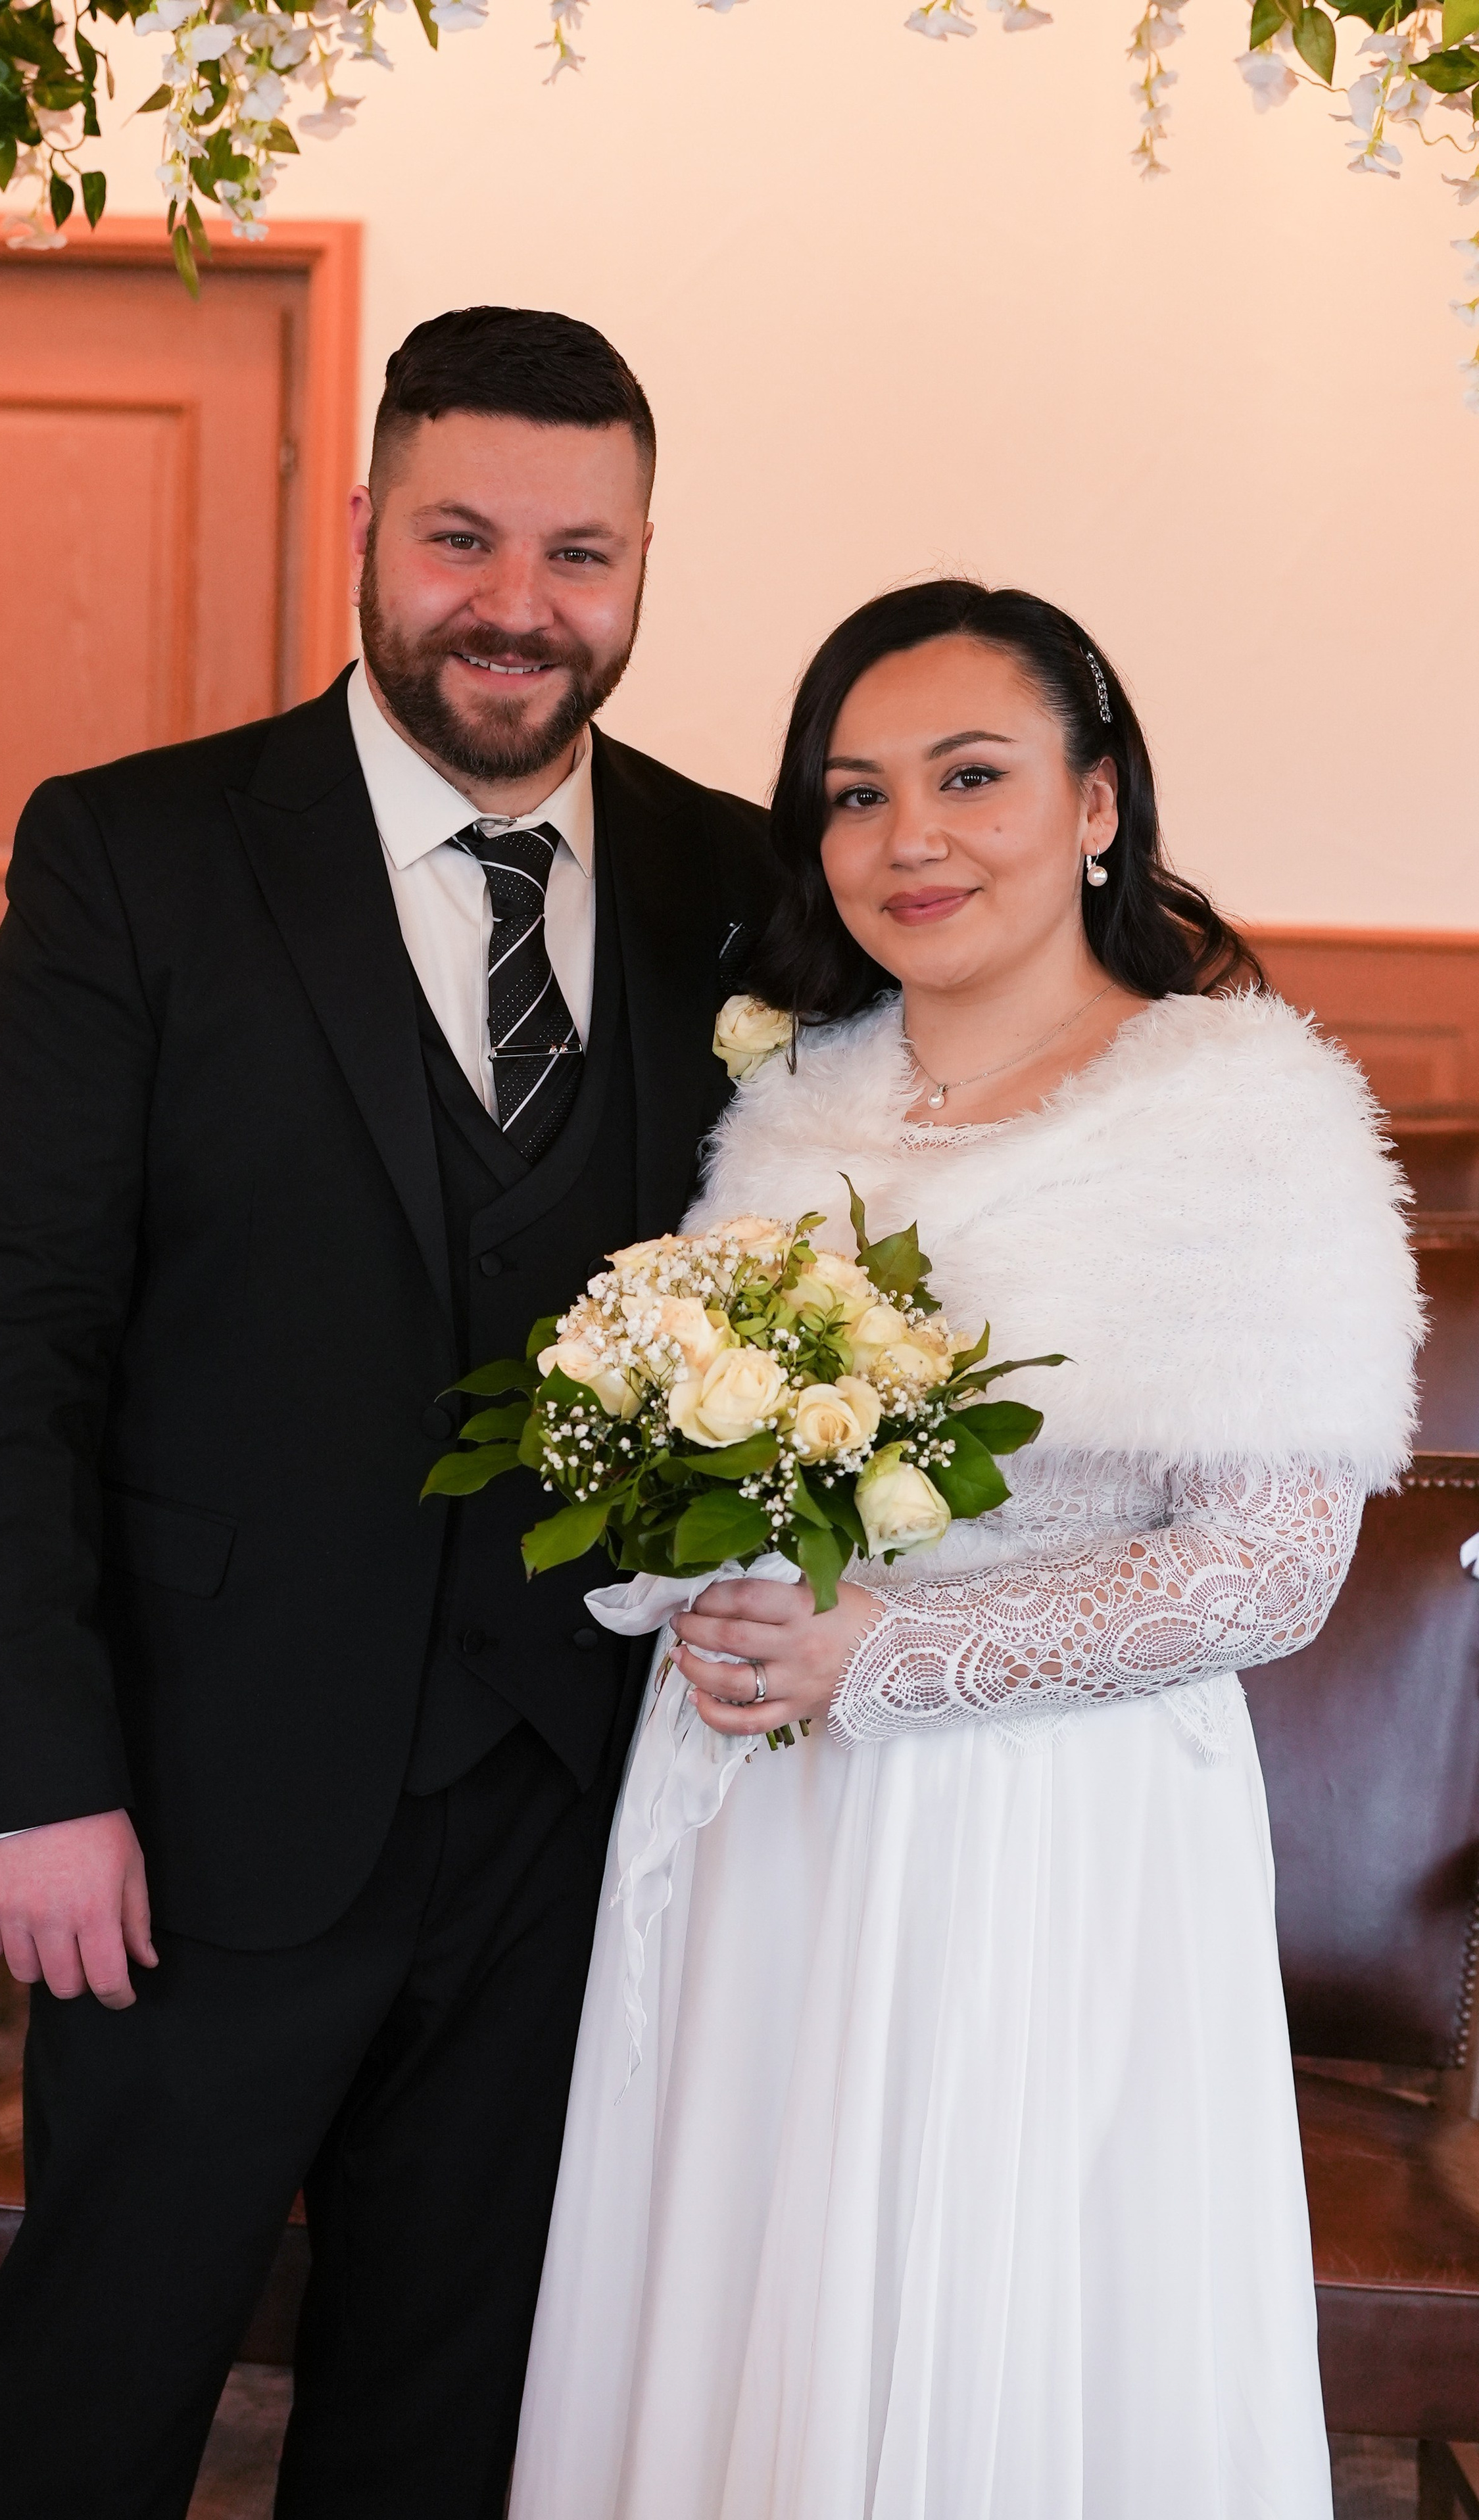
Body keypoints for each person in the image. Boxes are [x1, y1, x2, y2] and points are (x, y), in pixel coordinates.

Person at [0, 304, 771, 2519]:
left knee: (454, 2413)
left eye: (580, 551)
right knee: (93, 2394)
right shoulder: (134, 851)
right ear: (365, 529)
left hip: (585, 1797)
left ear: (648, 554)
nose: (519, 605)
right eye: (463, 537)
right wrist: (31, 1776)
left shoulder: (739, 875)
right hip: (200, 1812)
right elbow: (10, 1343)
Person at [511, 581, 1420, 2520]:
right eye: (854, 793)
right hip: (766, 1828)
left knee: (983, 2341)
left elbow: (1270, 1569)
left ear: (1099, 804)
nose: (906, 838)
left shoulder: (1244, 1112)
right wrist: (692, 1580)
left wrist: (886, 1659)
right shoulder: (796, 1105)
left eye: (973, 776)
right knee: (752, 2320)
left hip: (1042, 1842)